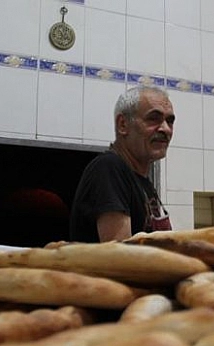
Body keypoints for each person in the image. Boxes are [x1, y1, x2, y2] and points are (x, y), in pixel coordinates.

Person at [69, 86, 175, 242]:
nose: (166, 129)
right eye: (153, 118)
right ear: (123, 124)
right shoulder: (109, 168)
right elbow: (120, 257)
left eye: (170, 121)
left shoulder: (143, 181)